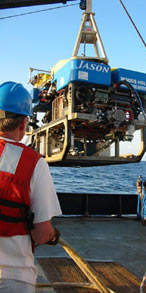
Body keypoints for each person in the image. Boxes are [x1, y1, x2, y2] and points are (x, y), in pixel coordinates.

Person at [0, 81, 62, 292]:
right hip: (12, 276)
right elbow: (41, 235)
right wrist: (53, 234)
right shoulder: (34, 163)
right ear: (23, 123)